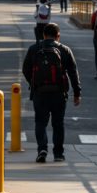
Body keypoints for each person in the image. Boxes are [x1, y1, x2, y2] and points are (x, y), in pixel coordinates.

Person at [21, 23, 81, 163]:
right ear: (58, 36)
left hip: (40, 93)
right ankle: (58, 154)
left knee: (40, 122)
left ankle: (42, 149)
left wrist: (34, 83)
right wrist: (77, 93)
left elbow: (26, 69)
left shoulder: (34, 48)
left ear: (43, 35)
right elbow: (73, 73)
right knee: (58, 123)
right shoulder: (65, 50)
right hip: (59, 93)